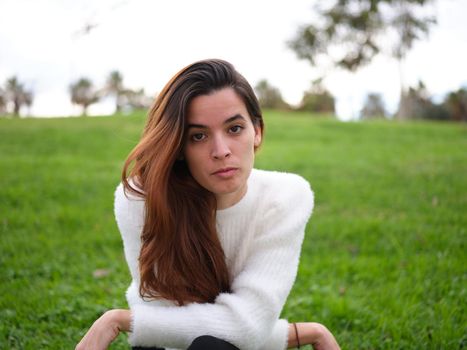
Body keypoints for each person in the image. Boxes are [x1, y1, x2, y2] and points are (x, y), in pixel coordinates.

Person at [76, 59, 340, 350]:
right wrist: (303, 334)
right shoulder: (142, 200)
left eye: (235, 128)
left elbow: (246, 326)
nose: (221, 151)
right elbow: (163, 321)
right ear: (178, 148)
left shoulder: (286, 197)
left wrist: (119, 320)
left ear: (258, 131)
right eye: (198, 136)